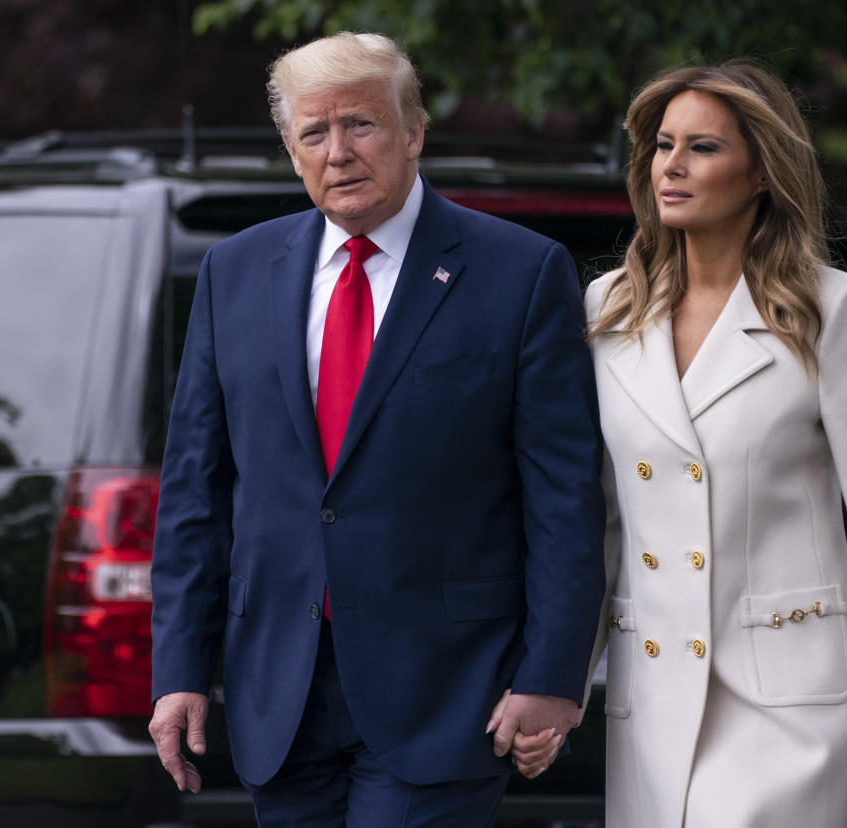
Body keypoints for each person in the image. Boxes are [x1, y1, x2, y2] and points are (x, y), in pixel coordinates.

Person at [146, 32, 605, 827]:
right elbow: (196, 490)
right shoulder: (234, 273)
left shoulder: (520, 272)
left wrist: (556, 675)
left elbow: (563, 497)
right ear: (291, 152)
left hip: (447, 689)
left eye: (360, 125)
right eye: (314, 134)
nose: (338, 152)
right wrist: (179, 668)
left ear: (414, 132)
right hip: (278, 695)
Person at [574, 60, 847, 826]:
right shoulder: (608, 309)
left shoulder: (831, 310)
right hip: (652, 695)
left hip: (790, 702)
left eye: (703, 148)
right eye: (663, 145)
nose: (673, 166)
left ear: (762, 171)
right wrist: (557, 682)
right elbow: (598, 514)